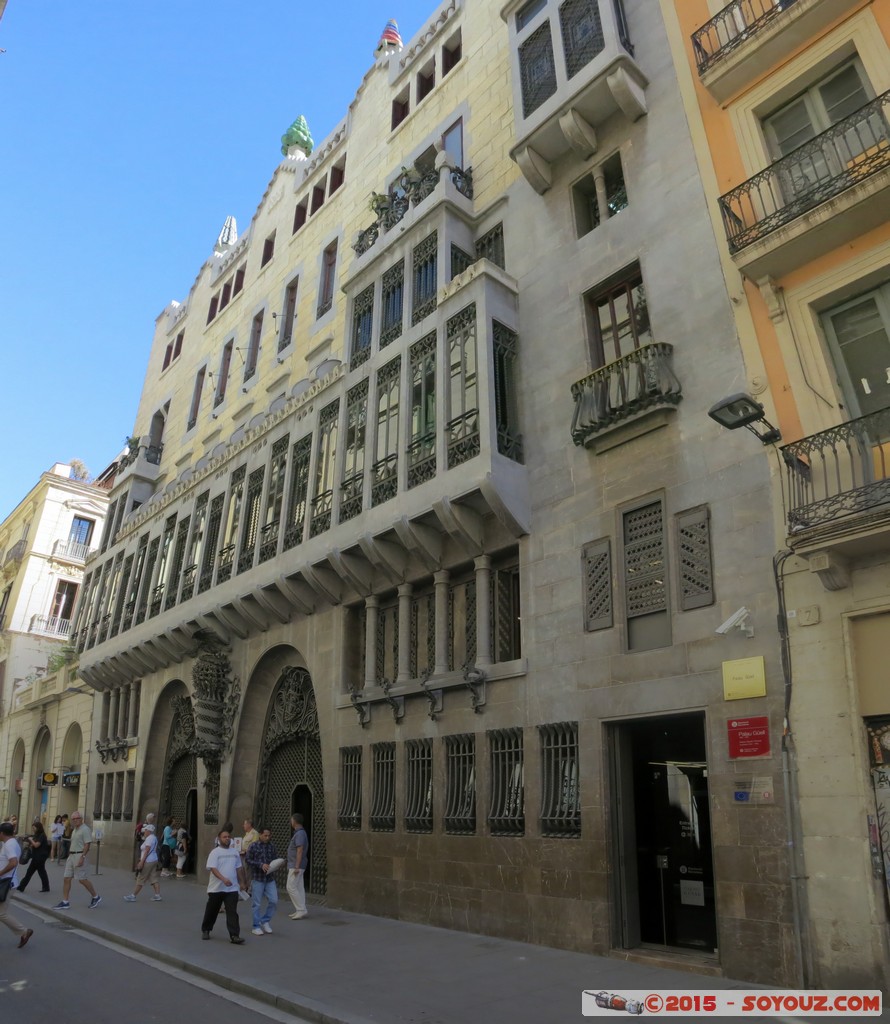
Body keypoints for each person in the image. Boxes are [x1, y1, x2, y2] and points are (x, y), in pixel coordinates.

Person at [201, 827, 247, 944]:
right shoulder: (215, 852)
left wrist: (242, 882)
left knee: (232, 912)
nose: (227, 839)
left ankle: (234, 935)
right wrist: (223, 879)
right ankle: (206, 929)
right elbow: (213, 868)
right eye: (224, 837)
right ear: (219, 839)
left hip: (231, 888)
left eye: (228, 837)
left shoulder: (234, 852)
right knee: (212, 910)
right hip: (216, 888)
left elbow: (239, 868)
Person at [53, 811, 101, 910]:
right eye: (73, 819)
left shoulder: (85, 829)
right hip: (71, 855)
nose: (75, 820)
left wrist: (82, 857)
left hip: (79, 855)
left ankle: (96, 896)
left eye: (77, 818)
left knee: (82, 879)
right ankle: (65, 901)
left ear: (81, 819)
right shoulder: (75, 829)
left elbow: (87, 844)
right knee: (66, 878)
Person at [0, 821, 33, 948]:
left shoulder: (9, 845)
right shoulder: (10, 843)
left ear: (2, 833)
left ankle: (24, 931)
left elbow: (13, 862)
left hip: (6, 883)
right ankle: (23, 931)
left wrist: (0, 873)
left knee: (1, 913)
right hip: (7, 881)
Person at [245, 826, 278, 935]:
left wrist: (277, 864)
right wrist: (260, 865)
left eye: (269, 835)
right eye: (265, 835)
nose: (267, 837)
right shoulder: (253, 846)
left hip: (270, 878)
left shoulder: (272, 846)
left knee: (274, 900)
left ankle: (265, 921)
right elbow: (248, 860)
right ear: (260, 835)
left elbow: (274, 859)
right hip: (258, 878)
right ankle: (255, 926)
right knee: (256, 903)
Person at [124, 823, 162, 901]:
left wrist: (141, 862)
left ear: (149, 831)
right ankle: (157, 895)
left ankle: (133, 896)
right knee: (153, 877)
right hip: (154, 860)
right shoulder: (154, 838)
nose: (144, 832)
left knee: (141, 878)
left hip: (148, 861)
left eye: (145, 830)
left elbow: (147, 850)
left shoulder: (149, 839)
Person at [286, 813, 309, 920]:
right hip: (298, 864)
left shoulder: (299, 834)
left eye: (291, 820)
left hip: (296, 865)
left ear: (294, 821)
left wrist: (296, 866)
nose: (291, 822)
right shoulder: (301, 833)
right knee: (299, 887)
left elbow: (299, 850)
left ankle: (301, 909)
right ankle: (301, 909)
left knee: (290, 886)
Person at [16, 821, 51, 894]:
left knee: (33, 872)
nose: (33, 829)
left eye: (34, 828)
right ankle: (45, 887)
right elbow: (34, 845)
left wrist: (30, 840)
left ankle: (21, 887)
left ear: (38, 828)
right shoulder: (37, 835)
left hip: (40, 857)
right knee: (39, 872)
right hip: (36, 856)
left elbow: (36, 845)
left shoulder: (42, 835)